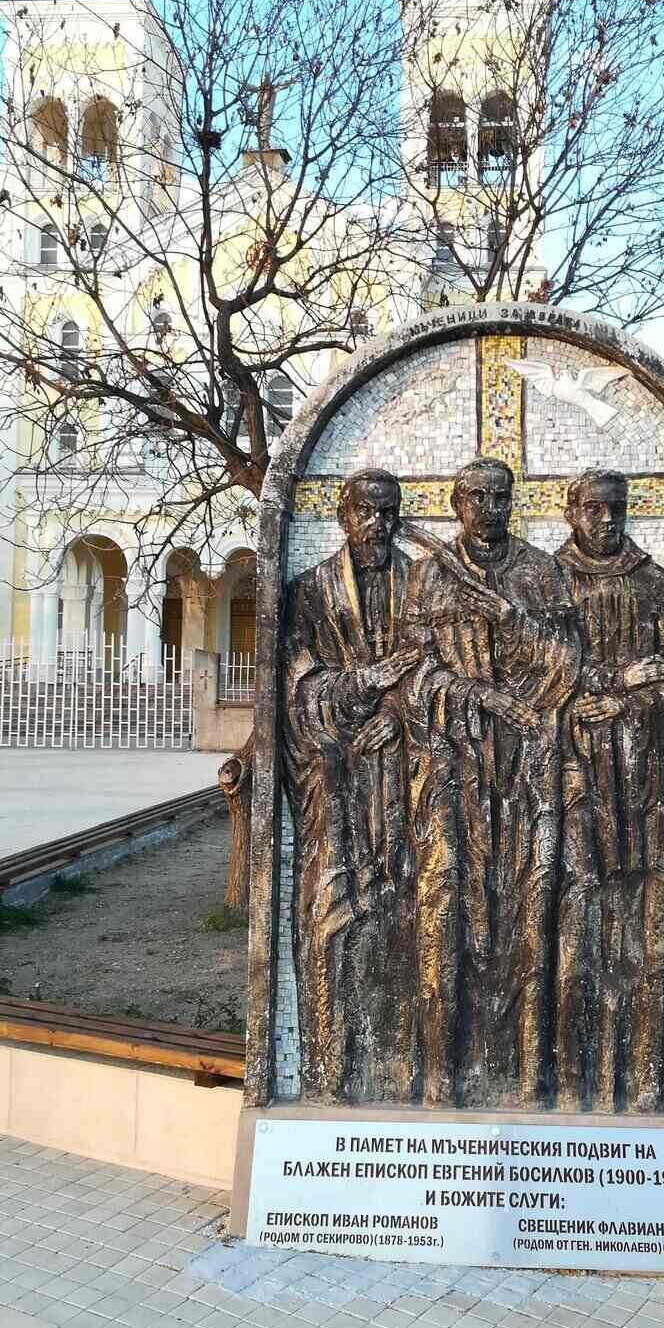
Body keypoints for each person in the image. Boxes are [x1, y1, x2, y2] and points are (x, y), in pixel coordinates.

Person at [401, 457, 581, 1108]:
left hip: (526, 768)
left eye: (500, 496)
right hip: (455, 767)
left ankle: (531, 1074)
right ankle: (443, 1073)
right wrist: (479, 696)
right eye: (475, 496)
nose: (488, 507)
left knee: (531, 907)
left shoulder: (542, 572)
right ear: (456, 503)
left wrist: (511, 618)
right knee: (449, 905)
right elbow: (414, 673)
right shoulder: (427, 575)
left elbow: (567, 662)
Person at [555, 469, 664, 1112]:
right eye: (594, 508)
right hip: (576, 786)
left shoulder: (655, 585)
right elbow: (538, 677)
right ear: (571, 512)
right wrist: (621, 679)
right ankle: (570, 1084)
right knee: (576, 933)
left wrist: (626, 702)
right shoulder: (550, 583)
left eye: (616, 508)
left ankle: (645, 1082)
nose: (607, 519)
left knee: (647, 940)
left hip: (646, 790)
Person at [282, 468, 418, 1102]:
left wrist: (400, 714)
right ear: (344, 516)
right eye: (366, 511)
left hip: (403, 779)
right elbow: (299, 688)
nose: (378, 523)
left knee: (402, 912)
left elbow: (441, 668)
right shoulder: (310, 592)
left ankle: (396, 1071)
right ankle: (326, 1070)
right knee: (330, 912)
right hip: (335, 781)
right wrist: (364, 685)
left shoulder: (420, 584)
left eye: (388, 511)